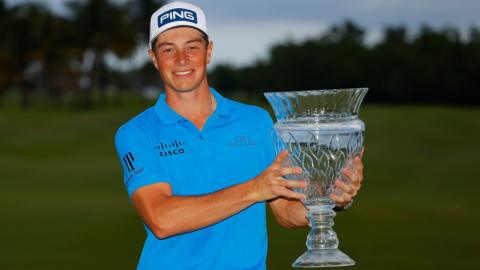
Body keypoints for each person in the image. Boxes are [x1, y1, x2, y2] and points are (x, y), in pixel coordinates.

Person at [114, 2, 364, 269]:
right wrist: (254, 189)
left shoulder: (255, 121)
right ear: (154, 58)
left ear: (208, 51)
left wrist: (332, 199)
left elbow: (286, 213)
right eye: (168, 50)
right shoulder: (137, 132)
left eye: (192, 47)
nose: (182, 60)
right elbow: (161, 219)